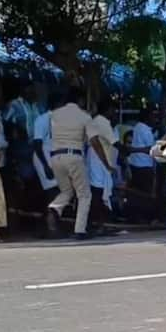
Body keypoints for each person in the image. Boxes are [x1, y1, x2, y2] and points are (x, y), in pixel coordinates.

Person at [45, 88, 112, 240]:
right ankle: (79, 230)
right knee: (84, 194)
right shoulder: (84, 117)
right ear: (81, 100)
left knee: (66, 191)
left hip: (56, 156)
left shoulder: (54, 115)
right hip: (74, 156)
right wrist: (106, 163)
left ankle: (54, 208)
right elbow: (94, 142)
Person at [87, 97, 120, 235]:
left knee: (99, 192)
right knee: (98, 192)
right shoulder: (102, 122)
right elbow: (115, 143)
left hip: (98, 160)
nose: (114, 112)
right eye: (113, 110)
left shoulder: (98, 121)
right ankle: (97, 224)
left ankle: (99, 223)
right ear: (107, 110)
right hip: (98, 160)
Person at [33, 93, 61, 205]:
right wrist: (46, 166)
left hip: (54, 158)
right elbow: (37, 144)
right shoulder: (43, 119)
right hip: (44, 158)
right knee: (52, 194)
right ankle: (50, 220)